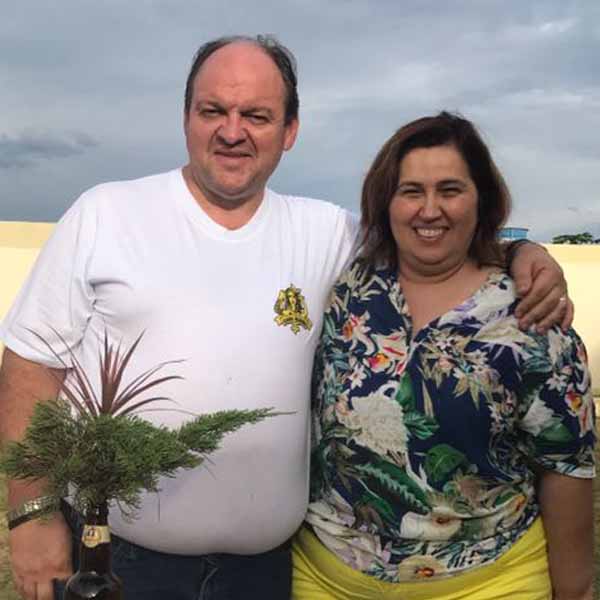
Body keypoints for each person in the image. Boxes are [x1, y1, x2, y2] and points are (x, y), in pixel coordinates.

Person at [0, 36, 572, 600]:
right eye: (213, 111)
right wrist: (31, 515)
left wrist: (522, 253)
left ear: (290, 130)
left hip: (266, 573)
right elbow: (30, 367)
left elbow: (430, 237)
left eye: (257, 115)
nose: (232, 132)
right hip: (119, 561)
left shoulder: (326, 233)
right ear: (186, 117)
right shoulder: (106, 214)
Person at [293, 112, 595, 600]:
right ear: (386, 202)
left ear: (482, 200)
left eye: (450, 190)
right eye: (411, 191)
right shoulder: (345, 288)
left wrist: (574, 591)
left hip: (489, 583)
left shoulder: (531, 316)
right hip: (327, 580)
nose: (429, 210)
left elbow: (566, 469)